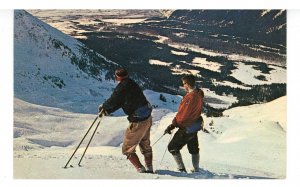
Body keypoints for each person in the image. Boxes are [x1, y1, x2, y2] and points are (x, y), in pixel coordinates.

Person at [98, 67, 153, 173]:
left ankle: (141, 170)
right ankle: (149, 168)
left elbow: (114, 100)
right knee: (145, 145)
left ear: (117, 77)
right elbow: (122, 101)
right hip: (147, 118)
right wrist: (109, 110)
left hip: (137, 121)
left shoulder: (122, 87)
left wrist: (104, 107)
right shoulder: (132, 83)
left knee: (127, 149)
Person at [164, 74, 204, 173]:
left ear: (187, 84)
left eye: (184, 84)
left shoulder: (190, 97)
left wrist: (173, 124)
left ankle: (181, 169)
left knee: (172, 147)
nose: (183, 86)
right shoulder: (199, 93)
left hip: (187, 127)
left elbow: (183, 115)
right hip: (195, 125)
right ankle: (196, 169)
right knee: (194, 148)